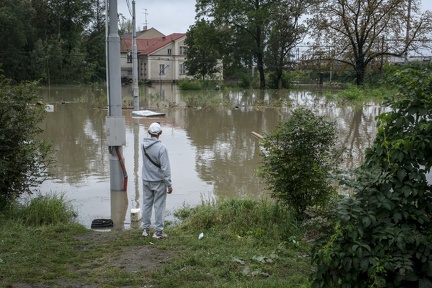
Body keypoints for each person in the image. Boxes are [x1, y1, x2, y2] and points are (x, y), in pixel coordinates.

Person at [141, 122, 173, 239]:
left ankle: (145, 229)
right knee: (159, 206)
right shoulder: (162, 148)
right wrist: (169, 184)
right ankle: (158, 232)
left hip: (146, 179)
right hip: (158, 181)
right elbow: (165, 169)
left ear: (148, 132)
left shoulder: (143, 145)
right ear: (160, 133)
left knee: (146, 204)